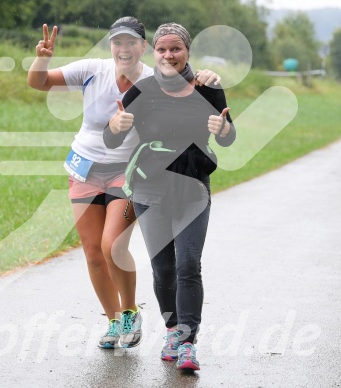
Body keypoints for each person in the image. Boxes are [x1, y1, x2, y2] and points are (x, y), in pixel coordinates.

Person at [27, 17, 222, 349]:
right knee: (92, 253)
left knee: (111, 246)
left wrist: (210, 77)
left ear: (143, 47)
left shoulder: (153, 77)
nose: (124, 48)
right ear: (111, 46)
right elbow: (39, 82)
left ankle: (131, 312)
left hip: (130, 172)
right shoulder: (93, 69)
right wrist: (42, 57)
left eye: (131, 42)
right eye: (117, 42)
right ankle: (114, 321)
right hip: (84, 168)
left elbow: (184, 71)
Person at [104, 22, 236, 370]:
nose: (168, 55)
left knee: (188, 264)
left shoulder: (207, 87)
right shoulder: (142, 90)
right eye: (162, 49)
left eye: (175, 48)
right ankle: (173, 329)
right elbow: (113, 137)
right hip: (151, 189)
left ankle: (188, 342)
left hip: (192, 188)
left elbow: (227, 135)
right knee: (164, 270)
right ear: (154, 52)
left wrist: (224, 129)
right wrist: (113, 128)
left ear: (187, 51)